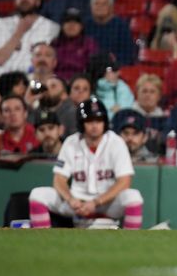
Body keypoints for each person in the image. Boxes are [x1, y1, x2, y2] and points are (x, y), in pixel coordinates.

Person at [28, 96, 144, 229]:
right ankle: (43, 241)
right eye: (89, 121)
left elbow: (124, 182)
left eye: (98, 120)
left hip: (107, 203)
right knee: (37, 194)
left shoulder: (116, 142)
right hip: (77, 202)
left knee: (134, 197)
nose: (94, 125)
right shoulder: (71, 142)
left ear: (104, 122)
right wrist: (70, 199)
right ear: (81, 123)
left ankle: (130, 243)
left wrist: (96, 202)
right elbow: (59, 179)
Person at [0, 0, 59, 78]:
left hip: (31, 80)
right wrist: (19, 32)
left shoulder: (51, 27)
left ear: (38, 1)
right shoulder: (1, 23)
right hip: (1, 78)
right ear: (15, 1)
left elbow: (49, 63)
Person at [112, 73, 167, 154]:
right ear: (137, 93)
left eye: (152, 92)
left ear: (159, 96)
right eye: (144, 91)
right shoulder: (123, 116)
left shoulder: (165, 119)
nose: (148, 95)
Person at [84, 0, 134, 66]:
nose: (100, 7)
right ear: (91, 6)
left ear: (111, 7)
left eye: (104, 4)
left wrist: (114, 59)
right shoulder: (85, 24)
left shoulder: (121, 26)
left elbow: (128, 54)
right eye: (96, 3)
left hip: (113, 67)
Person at [51, 8, 99, 81]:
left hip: (81, 82)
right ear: (62, 25)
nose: (71, 25)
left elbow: (93, 69)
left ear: (81, 26)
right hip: (56, 82)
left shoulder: (89, 44)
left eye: (76, 22)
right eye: (68, 21)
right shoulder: (54, 44)